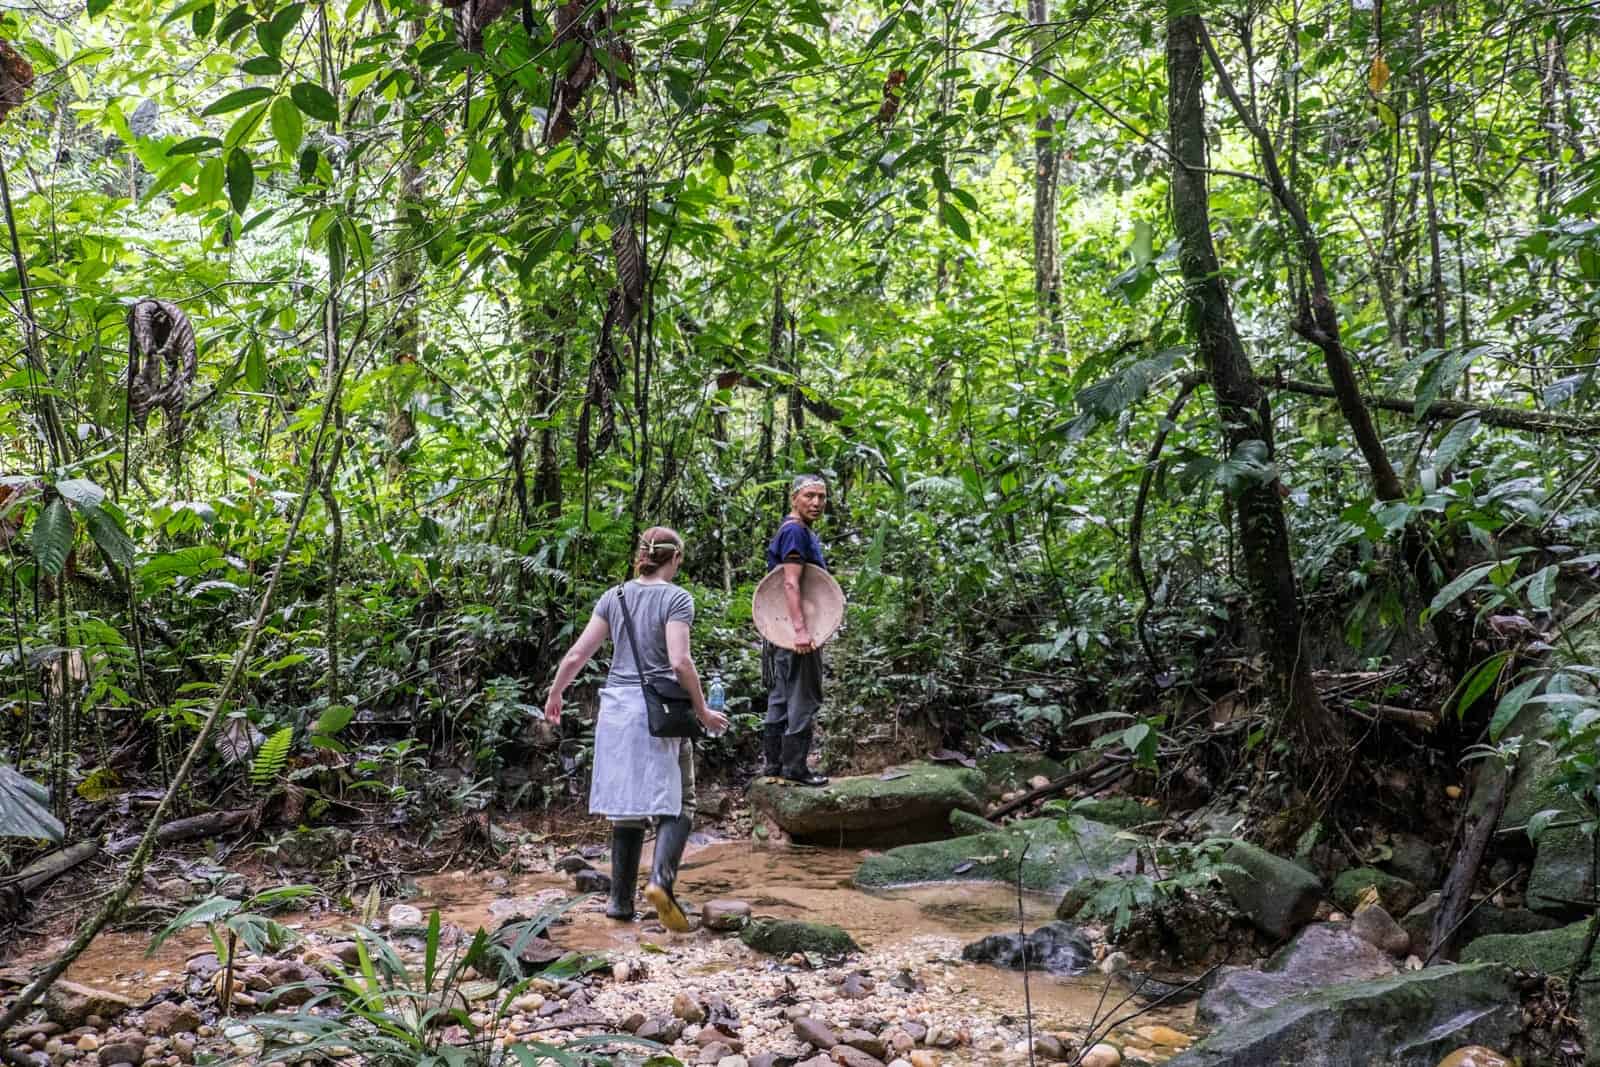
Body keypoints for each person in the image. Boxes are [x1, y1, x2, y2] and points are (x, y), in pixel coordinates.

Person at [543, 527, 729, 932]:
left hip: (617, 710)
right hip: (657, 712)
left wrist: (556, 693)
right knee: (679, 802)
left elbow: (577, 653)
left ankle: (619, 904)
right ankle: (661, 883)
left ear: (641, 556)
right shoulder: (676, 598)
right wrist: (702, 711)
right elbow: (680, 662)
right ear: (674, 558)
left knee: (627, 807)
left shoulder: (615, 597)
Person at [761, 474, 830, 787]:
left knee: (781, 696)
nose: (816, 503)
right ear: (794, 498)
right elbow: (790, 582)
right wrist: (801, 632)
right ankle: (795, 769)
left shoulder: (795, 530)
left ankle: (773, 765)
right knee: (802, 698)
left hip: (782, 631)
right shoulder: (795, 532)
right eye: (809, 496)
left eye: (821, 497)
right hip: (795, 633)